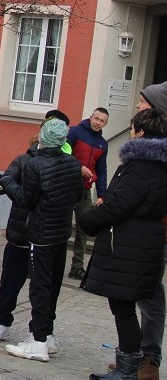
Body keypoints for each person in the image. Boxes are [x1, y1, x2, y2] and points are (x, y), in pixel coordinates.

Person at [81, 108, 167, 380]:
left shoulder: (142, 165)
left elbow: (120, 204)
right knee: (124, 304)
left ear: (141, 132)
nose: (130, 131)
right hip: (141, 240)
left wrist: (89, 221)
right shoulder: (155, 164)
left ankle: (128, 373)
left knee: (123, 305)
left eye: (132, 127)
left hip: (132, 242)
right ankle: (128, 368)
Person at [0, 118, 83, 362]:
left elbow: (25, 199)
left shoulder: (36, 165)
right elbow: (78, 195)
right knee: (51, 283)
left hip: (41, 232)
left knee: (40, 285)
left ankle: (38, 340)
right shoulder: (72, 163)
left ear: (42, 138)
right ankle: (45, 334)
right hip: (60, 232)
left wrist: (8, 182)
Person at [0, 110, 69, 343]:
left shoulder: (65, 164)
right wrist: (3, 184)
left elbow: (27, 196)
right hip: (22, 233)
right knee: (12, 281)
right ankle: (2, 321)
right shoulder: (23, 161)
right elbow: (7, 182)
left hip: (46, 236)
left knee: (45, 286)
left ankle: (43, 331)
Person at [66, 107, 110, 280]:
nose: (98, 122)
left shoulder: (103, 144)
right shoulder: (75, 132)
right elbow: (64, 153)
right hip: (68, 187)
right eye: (96, 118)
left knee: (83, 229)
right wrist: (78, 167)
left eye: (102, 121)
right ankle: (54, 262)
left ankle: (77, 267)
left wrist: (102, 195)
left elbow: (102, 170)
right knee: (62, 227)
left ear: (106, 123)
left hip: (85, 191)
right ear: (90, 117)